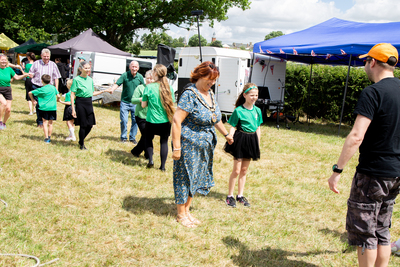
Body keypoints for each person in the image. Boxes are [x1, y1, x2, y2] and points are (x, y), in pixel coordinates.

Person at [328, 43, 400, 267]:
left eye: (365, 62)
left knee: (365, 233)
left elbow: (356, 136)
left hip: (373, 174)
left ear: (373, 62)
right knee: (382, 229)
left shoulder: (373, 92)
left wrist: (337, 170)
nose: (365, 66)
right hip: (395, 173)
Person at [171, 61, 233, 228]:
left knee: (196, 178)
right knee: (185, 178)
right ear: (199, 75)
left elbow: (215, 118)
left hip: (205, 145)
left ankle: (187, 211)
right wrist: (177, 148)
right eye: (209, 78)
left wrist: (226, 134)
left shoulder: (210, 94)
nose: (211, 82)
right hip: (188, 144)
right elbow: (177, 120)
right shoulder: (190, 94)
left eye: (214, 79)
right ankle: (180, 214)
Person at [224, 83, 263, 208]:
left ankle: (240, 195)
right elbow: (233, 126)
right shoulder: (238, 110)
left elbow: (258, 128)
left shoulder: (257, 111)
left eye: (256, 95)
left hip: (251, 141)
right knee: (236, 170)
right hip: (240, 140)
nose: (254, 97)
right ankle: (230, 196)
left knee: (244, 170)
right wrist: (230, 136)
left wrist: (257, 143)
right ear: (245, 95)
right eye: (252, 95)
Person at [141, 64, 175, 171]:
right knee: (164, 142)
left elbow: (143, 105)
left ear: (155, 74)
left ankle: (151, 160)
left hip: (151, 120)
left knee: (148, 139)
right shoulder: (169, 88)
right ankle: (163, 166)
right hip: (165, 120)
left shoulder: (149, 87)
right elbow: (172, 103)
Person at [70, 61, 107, 150]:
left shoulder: (90, 80)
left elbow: (92, 93)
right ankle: (82, 145)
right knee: (83, 125)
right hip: (80, 102)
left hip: (88, 102)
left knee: (90, 124)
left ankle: (81, 139)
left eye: (89, 68)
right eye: (86, 68)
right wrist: (73, 109)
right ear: (80, 69)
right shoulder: (76, 80)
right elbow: (72, 94)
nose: (88, 70)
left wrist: (103, 91)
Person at [109, 61, 144, 143]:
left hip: (135, 103)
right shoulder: (125, 75)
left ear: (138, 68)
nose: (134, 68)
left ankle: (132, 138)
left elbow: (144, 87)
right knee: (124, 120)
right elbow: (117, 83)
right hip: (125, 102)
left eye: (136, 67)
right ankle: (123, 137)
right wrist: (112, 89)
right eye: (133, 66)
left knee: (135, 121)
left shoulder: (140, 77)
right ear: (129, 67)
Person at [28, 48, 61, 128]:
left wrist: (56, 89)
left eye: (48, 56)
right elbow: (30, 73)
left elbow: (56, 77)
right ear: (41, 56)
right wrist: (30, 75)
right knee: (39, 104)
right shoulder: (36, 63)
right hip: (37, 86)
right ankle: (40, 121)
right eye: (44, 56)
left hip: (49, 88)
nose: (46, 58)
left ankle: (46, 119)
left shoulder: (53, 64)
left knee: (46, 105)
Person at [0, 54, 30, 130]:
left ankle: (3, 123)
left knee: (8, 109)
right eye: (2, 59)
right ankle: (0, 121)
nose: (3, 61)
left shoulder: (9, 69)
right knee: (3, 103)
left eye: (5, 60)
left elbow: (16, 77)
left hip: (7, 89)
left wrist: (25, 75)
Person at [130, 70, 154, 158]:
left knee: (149, 135)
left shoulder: (155, 89)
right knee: (146, 135)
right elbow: (133, 100)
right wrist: (142, 99)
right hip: (141, 116)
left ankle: (136, 151)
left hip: (152, 117)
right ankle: (148, 154)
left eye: (151, 79)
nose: (149, 80)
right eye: (148, 78)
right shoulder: (140, 88)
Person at [29, 74, 59, 143]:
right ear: (50, 80)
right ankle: (49, 136)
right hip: (53, 108)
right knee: (50, 124)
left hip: (44, 108)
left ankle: (46, 138)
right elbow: (58, 95)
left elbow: (30, 93)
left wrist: (33, 100)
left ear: (42, 81)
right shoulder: (53, 88)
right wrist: (58, 99)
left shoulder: (41, 89)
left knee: (44, 123)